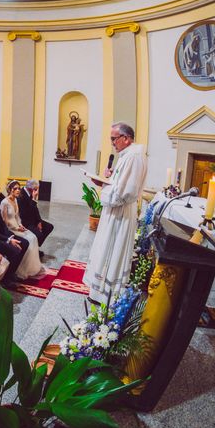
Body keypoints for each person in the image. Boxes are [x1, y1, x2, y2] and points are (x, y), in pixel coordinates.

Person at [83, 122, 148, 305]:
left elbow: (125, 192)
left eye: (114, 139)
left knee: (112, 248)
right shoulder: (127, 155)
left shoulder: (133, 157)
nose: (112, 142)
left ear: (125, 138)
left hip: (119, 213)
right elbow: (120, 184)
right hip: (115, 210)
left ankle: (107, 294)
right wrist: (108, 179)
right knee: (106, 247)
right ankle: (99, 291)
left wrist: (104, 185)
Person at [0, 179, 29, 286]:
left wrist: (10, 237)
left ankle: (10, 273)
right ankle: (5, 279)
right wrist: (8, 240)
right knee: (15, 250)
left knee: (25, 243)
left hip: (1, 235)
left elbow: (2, 223)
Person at [0, 181, 45, 279]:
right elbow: (5, 222)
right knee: (29, 240)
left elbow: (17, 217)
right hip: (10, 229)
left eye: (19, 188)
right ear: (9, 189)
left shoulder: (15, 200)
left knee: (33, 237)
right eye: (15, 188)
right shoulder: (4, 202)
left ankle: (30, 267)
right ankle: (21, 268)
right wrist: (16, 228)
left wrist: (21, 225)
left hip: (18, 226)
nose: (17, 190)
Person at [17, 180, 54, 250]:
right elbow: (25, 213)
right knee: (39, 235)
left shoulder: (31, 192)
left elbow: (35, 209)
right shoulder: (20, 195)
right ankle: (34, 250)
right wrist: (34, 199)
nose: (37, 191)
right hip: (25, 222)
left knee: (49, 227)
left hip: (33, 219)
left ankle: (35, 248)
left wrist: (39, 221)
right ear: (30, 188)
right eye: (36, 189)